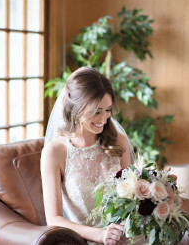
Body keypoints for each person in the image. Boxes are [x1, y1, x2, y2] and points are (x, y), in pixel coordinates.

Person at [41, 66, 136, 245]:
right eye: (96, 111)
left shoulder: (119, 141)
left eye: (108, 110)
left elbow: (132, 197)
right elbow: (53, 219)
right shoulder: (54, 153)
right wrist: (101, 235)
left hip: (126, 237)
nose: (104, 119)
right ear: (76, 108)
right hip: (88, 241)